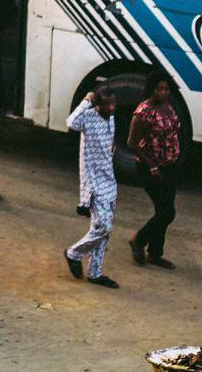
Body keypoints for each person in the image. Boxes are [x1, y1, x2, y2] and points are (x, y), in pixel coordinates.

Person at [65, 84, 120, 288]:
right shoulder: (88, 116)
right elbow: (71, 122)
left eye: (114, 104)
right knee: (104, 226)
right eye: (108, 105)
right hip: (94, 181)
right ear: (98, 105)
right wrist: (85, 101)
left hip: (109, 179)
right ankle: (74, 253)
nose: (112, 108)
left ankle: (96, 273)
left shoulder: (111, 119)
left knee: (103, 230)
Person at [129, 71, 181, 269]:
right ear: (152, 89)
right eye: (159, 89)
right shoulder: (144, 112)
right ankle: (138, 240)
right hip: (151, 168)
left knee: (163, 210)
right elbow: (133, 143)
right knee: (167, 213)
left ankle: (155, 254)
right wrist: (152, 166)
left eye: (167, 89)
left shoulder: (168, 106)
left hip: (170, 166)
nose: (163, 92)